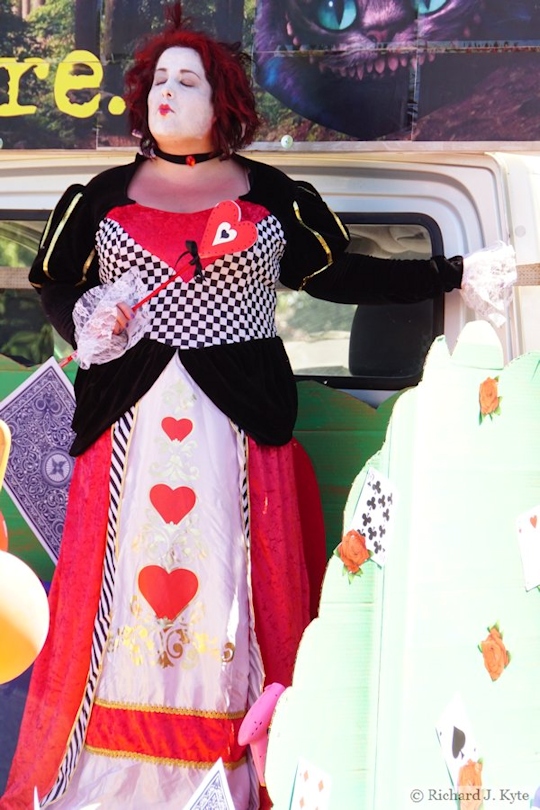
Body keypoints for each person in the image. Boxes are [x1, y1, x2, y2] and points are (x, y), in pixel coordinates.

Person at [0, 4, 463, 809]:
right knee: (124, 599)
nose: (168, 94)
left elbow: (341, 276)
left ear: (225, 103)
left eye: (190, 80)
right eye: (158, 82)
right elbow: (55, 279)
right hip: (130, 439)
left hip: (235, 436)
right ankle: (117, 778)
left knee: (228, 592)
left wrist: (445, 274)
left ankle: (233, 770)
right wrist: (93, 316)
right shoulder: (102, 196)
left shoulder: (274, 195)